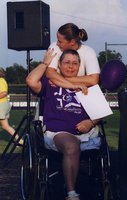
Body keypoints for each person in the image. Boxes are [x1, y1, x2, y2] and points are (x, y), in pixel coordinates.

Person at [26, 49, 101, 200]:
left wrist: (91, 122)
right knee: (71, 145)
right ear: (59, 64)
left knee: (76, 144)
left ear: (79, 65)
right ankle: (71, 194)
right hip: (58, 133)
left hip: (85, 134)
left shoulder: (88, 86)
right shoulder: (50, 83)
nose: (71, 66)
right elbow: (30, 81)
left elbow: (100, 112)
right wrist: (45, 63)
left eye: (75, 63)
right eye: (66, 62)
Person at [46, 23, 100, 88]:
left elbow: (94, 80)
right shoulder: (54, 47)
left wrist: (58, 81)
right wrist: (74, 85)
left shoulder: (89, 52)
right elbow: (50, 73)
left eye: (60, 41)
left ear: (72, 42)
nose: (57, 43)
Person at [0, 68, 23, 144]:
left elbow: (4, 93)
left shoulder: (1, 81)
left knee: (5, 126)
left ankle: (20, 140)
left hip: (1, 105)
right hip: (3, 105)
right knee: (5, 126)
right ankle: (19, 140)